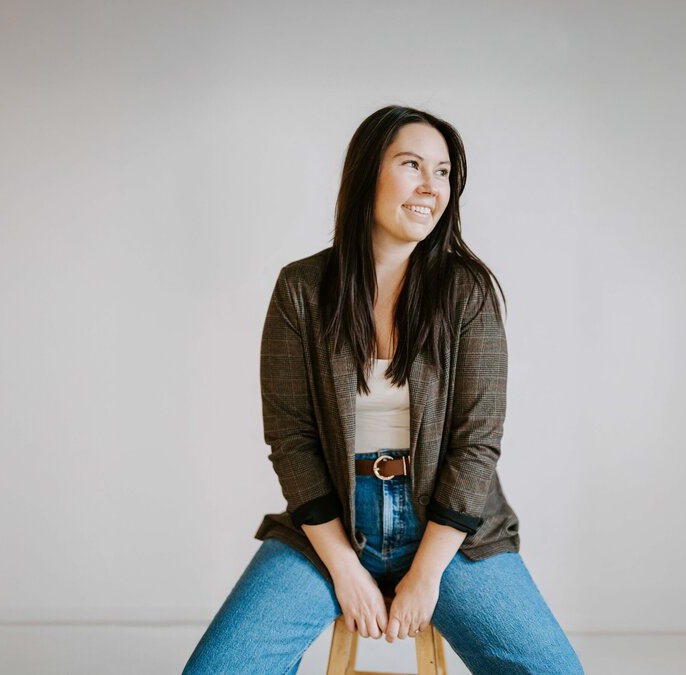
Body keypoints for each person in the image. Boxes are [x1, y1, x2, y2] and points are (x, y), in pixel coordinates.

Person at [183, 105, 584, 674]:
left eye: (443, 172)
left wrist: (424, 573)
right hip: (332, 526)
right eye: (412, 164)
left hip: (450, 530)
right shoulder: (301, 289)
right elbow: (292, 440)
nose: (431, 186)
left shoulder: (467, 293)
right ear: (367, 173)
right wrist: (345, 568)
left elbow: (477, 445)